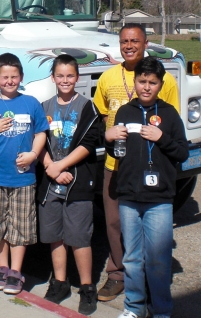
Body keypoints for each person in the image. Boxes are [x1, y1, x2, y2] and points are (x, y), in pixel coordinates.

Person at [92, 23, 179, 302]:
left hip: (150, 165)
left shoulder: (165, 81)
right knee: (115, 223)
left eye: (135, 41)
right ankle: (117, 274)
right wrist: (108, 134)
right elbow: (102, 114)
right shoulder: (107, 77)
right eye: (124, 41)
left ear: (145, 43)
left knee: (152, 227)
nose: (129, 46)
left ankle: (150, 281)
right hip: (115, 167)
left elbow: (172, 124)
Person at [105, 56, 189, 318]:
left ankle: (161, 309)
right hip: (129, 195)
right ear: (136, 81)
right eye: (142, 81)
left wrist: (162, 138)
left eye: (153, 82)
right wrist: (108, 139)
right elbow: (117, 151)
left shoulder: (169, 114)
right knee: (132, 257)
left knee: (158, 261)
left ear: (160, 85)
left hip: (160, 198)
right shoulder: (125, 112)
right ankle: (134, 307)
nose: (147, 87)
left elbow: (182, 153)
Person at [0, 53, 49, 294]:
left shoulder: (31, 103)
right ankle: (2, 268)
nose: (9, 81)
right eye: (4, 76)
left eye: (14, 76)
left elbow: (41, 133)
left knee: (20, 225)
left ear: (21, 77)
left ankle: (16, 272)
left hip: (24, 177)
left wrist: (34, 154)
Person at [37, 55, 100, 315]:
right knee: (55, 237)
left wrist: (60, 167)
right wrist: (50, 167)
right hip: (50, 183)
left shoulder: (88, 107)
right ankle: (59, 282)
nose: (65, 80)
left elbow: (89, 144)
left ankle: (86, 287)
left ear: (77, 78)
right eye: (60, 76)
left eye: (70, 76)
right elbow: (37, 141)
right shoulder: (43, 107)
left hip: (78, 182)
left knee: (79, 237)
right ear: (53, 78)